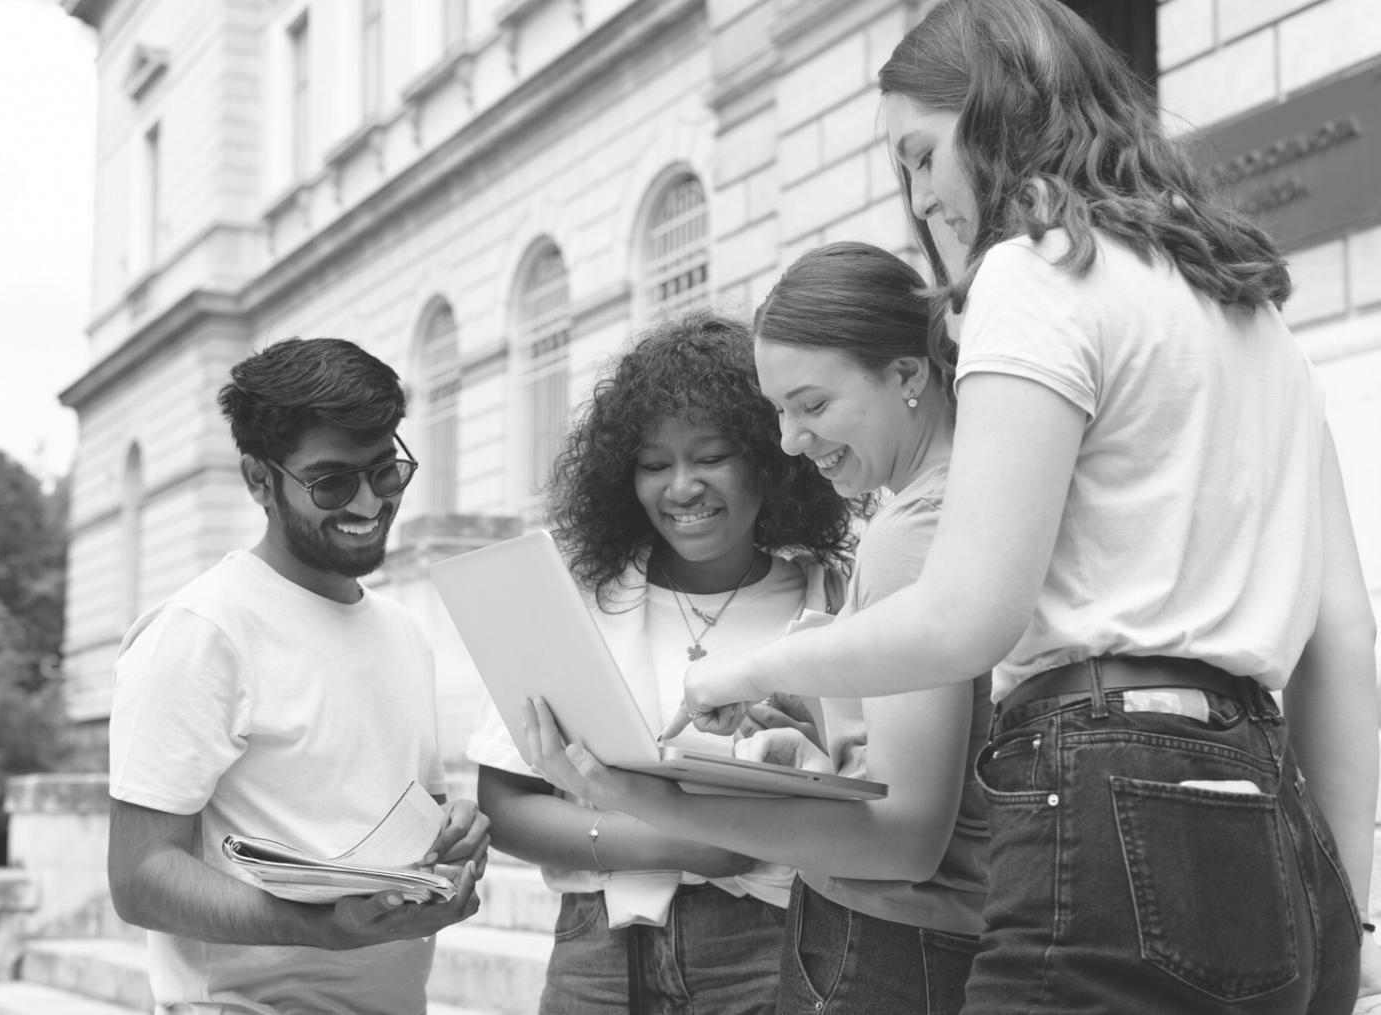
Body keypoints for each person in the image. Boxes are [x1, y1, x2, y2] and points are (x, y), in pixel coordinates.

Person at [669, 1, 1380, 1012]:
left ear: (1001, 116)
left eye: (922, 155)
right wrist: (1340, 921)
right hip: (1269, 813)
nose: (919, 201)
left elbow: (969, 616)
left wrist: (744, 669)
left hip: (1103, 786)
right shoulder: (1251, 313)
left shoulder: (1037, 272)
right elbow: (1343, 642)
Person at [523, 242, 992, 1015]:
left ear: (908, 374)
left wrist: (652, 801)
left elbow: (907, 839)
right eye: (778, 411)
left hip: (894, 945)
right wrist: (812, 755)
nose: (789, 441)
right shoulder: (944, 512)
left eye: (810, 405)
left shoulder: (908, 534)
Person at [465, 311, 853, 1014]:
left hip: (778, 944)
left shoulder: (829, 598)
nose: (681, 488)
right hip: (598, 954)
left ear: (770, 457)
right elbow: (506, 803)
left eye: (710, 456)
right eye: (653, 464)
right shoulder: (577, 600)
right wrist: (673, 842)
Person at [106, 337, 489, 1015]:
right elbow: (139, 877)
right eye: (332, 482)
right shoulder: (202, 630)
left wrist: (451, 837)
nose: (370, 503)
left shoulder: (404, 631)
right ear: (259, 480)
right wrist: (319, 928)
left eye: (386, 471)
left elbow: (411, 819)